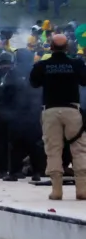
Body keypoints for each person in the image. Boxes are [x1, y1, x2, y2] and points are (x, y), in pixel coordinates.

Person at [29, 33, 86, 200]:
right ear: (67, 47)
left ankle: (56, 191)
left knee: (53, 150)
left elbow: (33, 83)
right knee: (80, 149)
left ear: (50, 47)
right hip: (72, 110)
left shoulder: (42, 65)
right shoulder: (76, 64)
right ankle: (82, 189)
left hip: (51, 111)